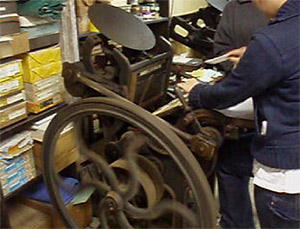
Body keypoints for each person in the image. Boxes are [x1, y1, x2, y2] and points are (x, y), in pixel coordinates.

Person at [179, 0, 300, 228]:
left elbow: (229, 94)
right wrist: (256, 55)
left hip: (288, 172)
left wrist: (196, 91)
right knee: (231, 159)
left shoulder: (272, 40)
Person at [212, 0, 268, 228]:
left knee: (230, 161)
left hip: (284, 142)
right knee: (230, 156)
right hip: (247, 94)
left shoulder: (286, 13)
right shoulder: (235, 7)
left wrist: (198, 94)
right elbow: (220, 49)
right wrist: (234, 64)